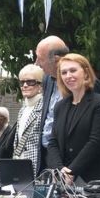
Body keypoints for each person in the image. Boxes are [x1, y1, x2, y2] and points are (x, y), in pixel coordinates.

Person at [45, 53, 100, 183]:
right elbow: (53, 142)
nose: (68, 76)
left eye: (73, 70)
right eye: (64, 73)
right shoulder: (60, 106)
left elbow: (96, 142)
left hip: (93, 181)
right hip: (64, 180)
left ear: (86, 73)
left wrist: (71, 171)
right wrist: (59, 170)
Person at [33, 35, 69, 171]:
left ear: (56, 60)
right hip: (47, 156)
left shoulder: (81, 84)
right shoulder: (47, 79)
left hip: (68, 159)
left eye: (40, 59)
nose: (37, 63)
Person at [10, 64, 45, 176]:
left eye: (30, 82)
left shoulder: (46, 108)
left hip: (38, 169)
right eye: (22, 82)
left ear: (40, 86)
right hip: (19, 167)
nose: (24, 85)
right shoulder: (23, 109)